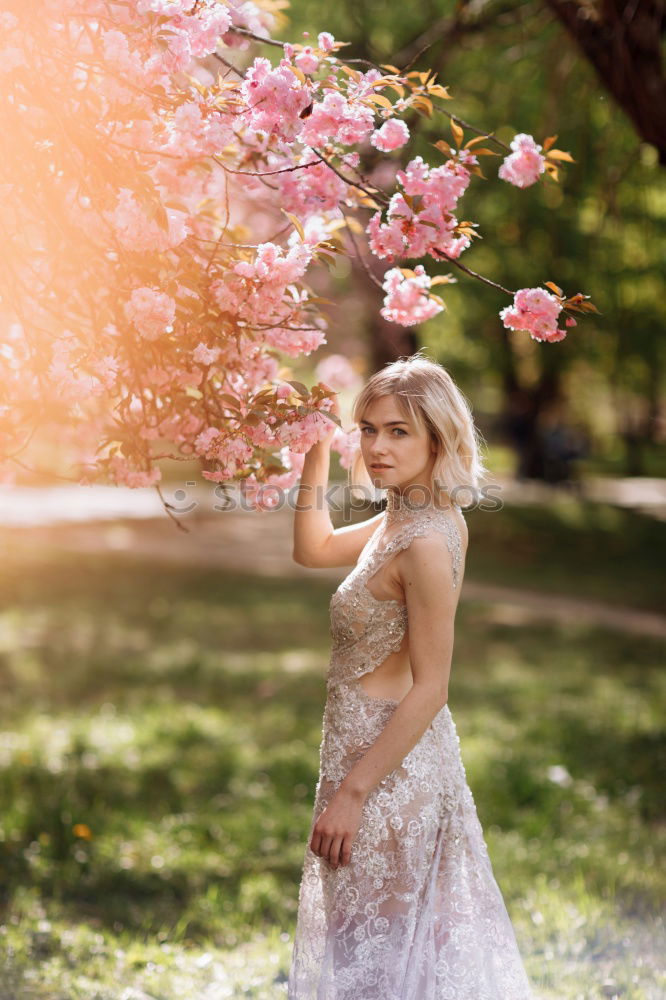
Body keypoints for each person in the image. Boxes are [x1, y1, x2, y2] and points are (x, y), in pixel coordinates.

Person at [288, 352, 534, 1000]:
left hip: (388, 771)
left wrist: (355, 792)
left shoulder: (425, 539)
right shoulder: (403, 518)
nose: (377, 446)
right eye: (368, 429)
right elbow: (312, 548)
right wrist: (315, 453)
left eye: (398, 431)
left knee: (386, 966)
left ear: (437, 436)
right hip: (361, 756)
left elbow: (433, 686)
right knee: (378, 961)